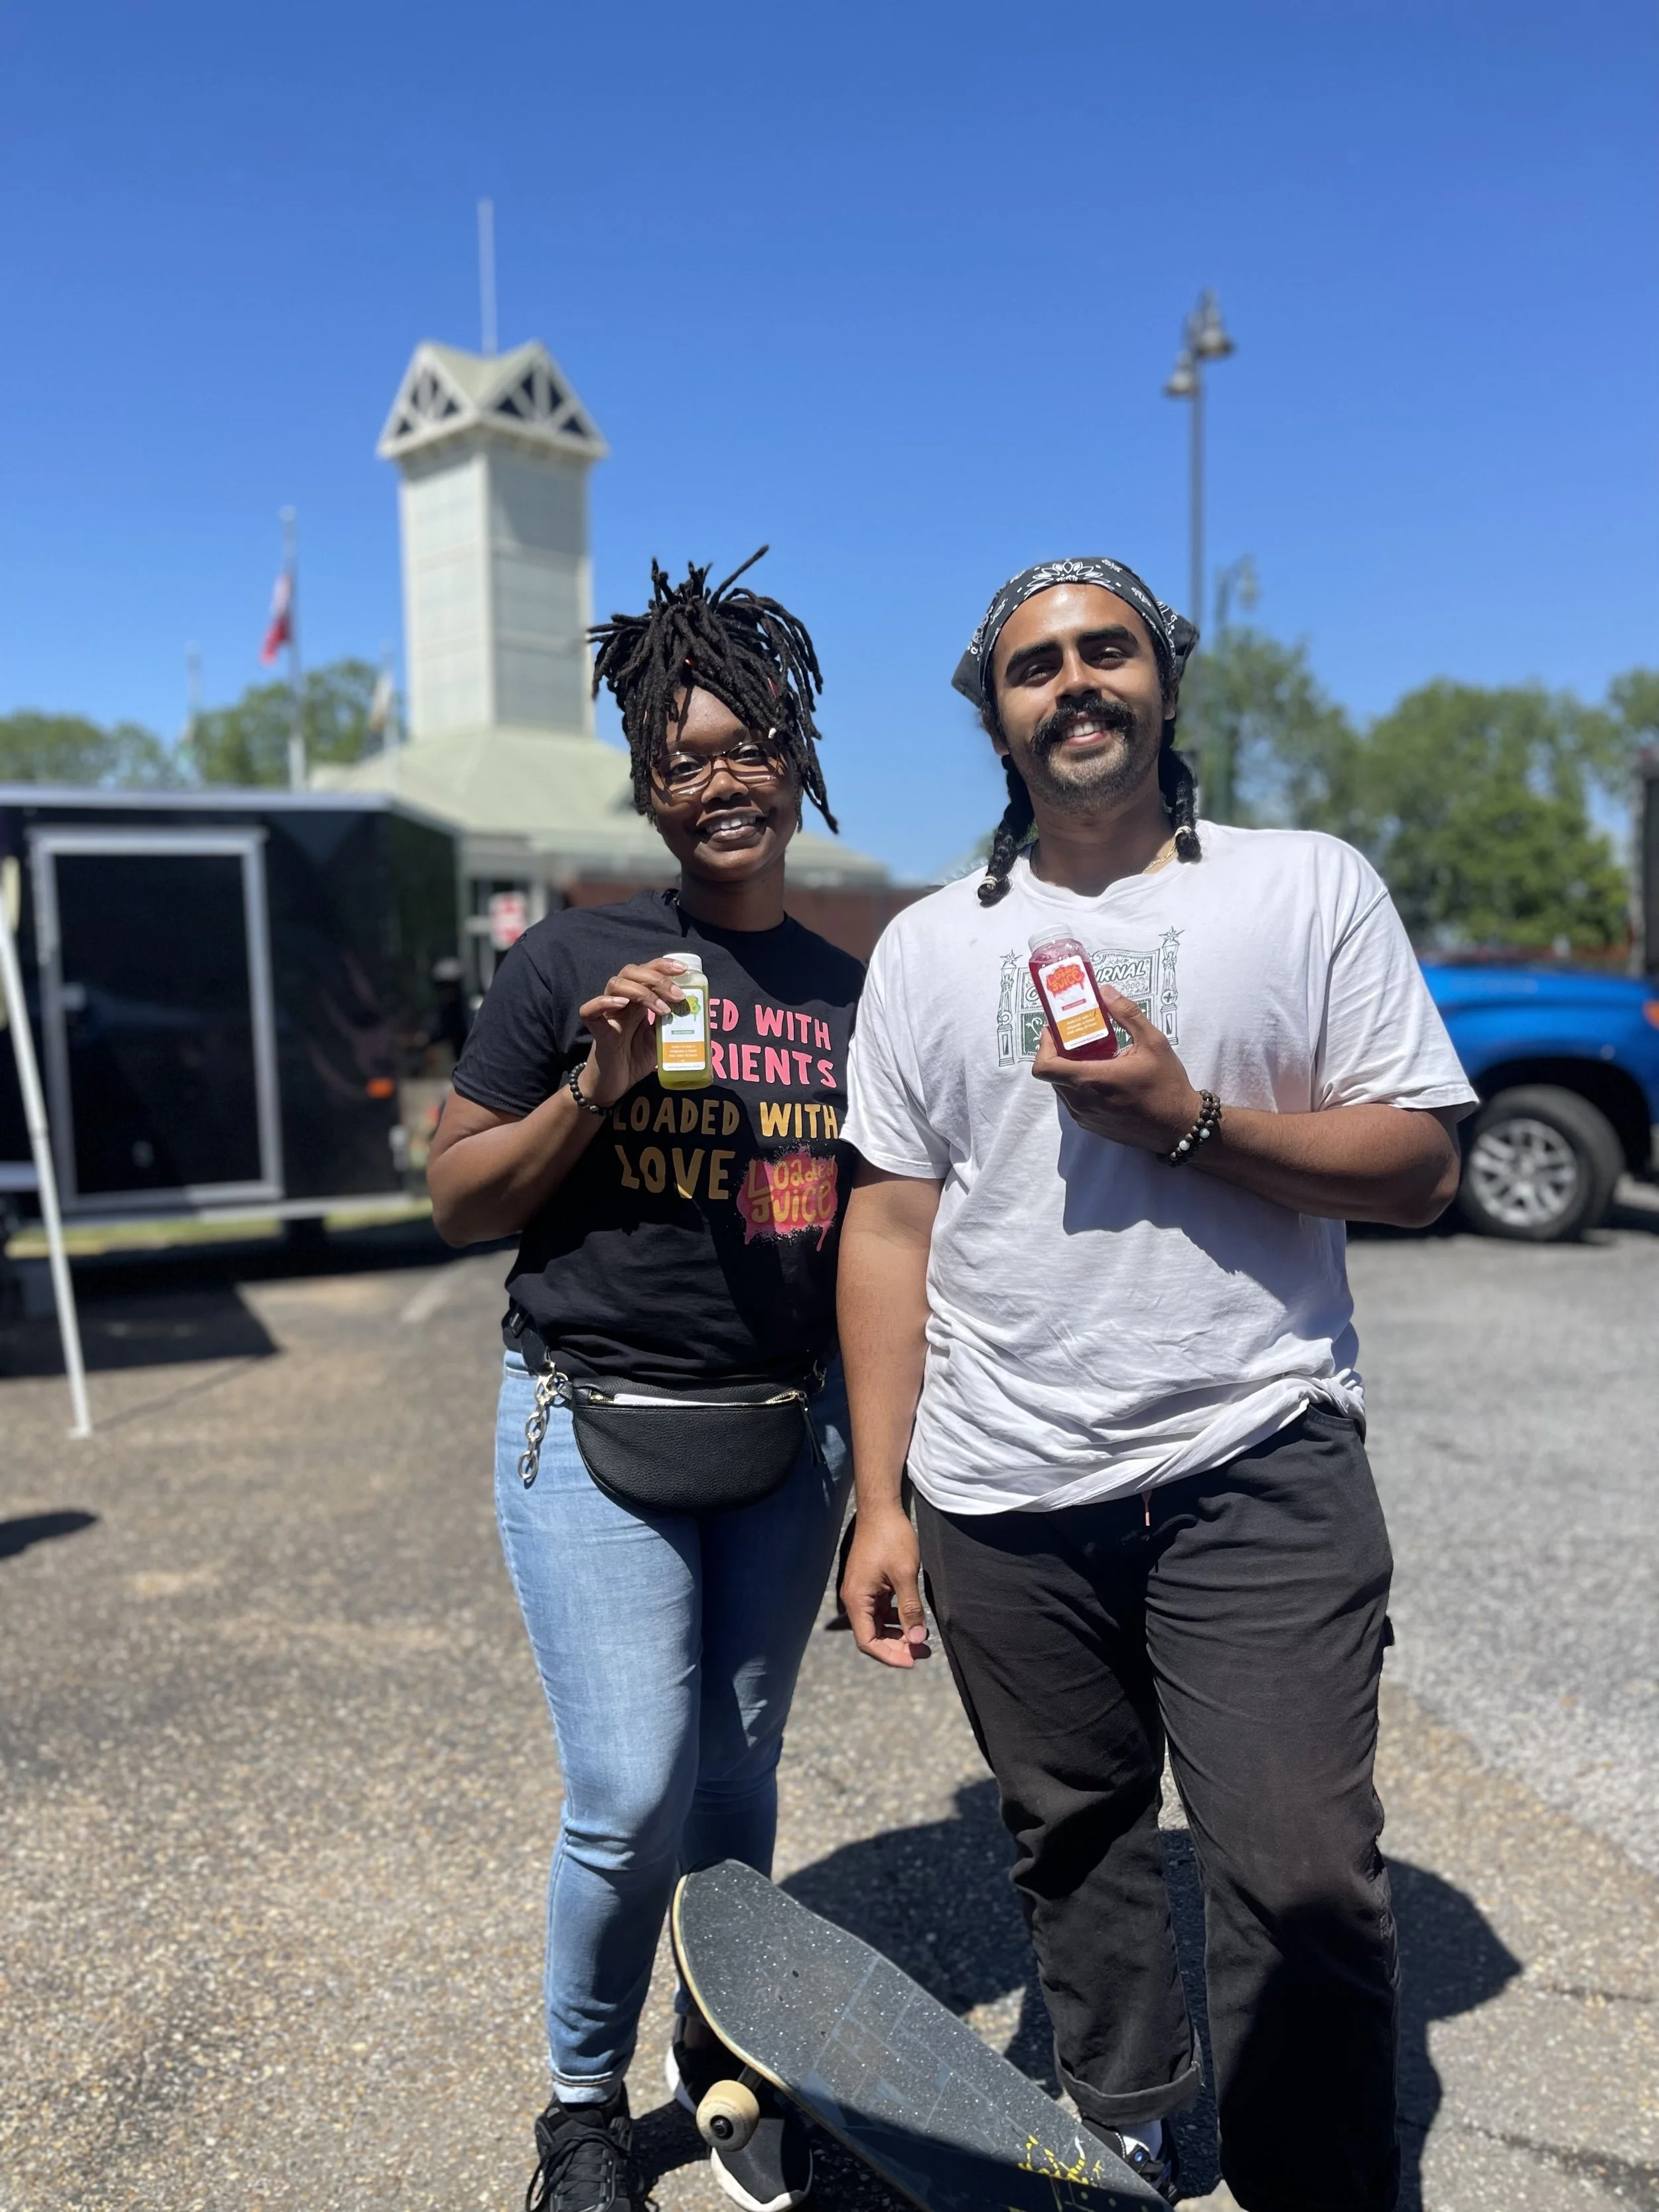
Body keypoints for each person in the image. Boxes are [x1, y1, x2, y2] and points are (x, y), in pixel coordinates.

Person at [836, 558, 1477, 2212]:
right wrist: (879, 1495)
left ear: (1165, 684)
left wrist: (1194, 1120)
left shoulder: (1304, 888)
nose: (1073, 683)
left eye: (1104, 650)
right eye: (1032, 666)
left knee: (1299, 1874)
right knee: (1072, 1833)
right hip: (997, 1491)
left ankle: (1314, 2180)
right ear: (993, 715)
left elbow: (1414, 1163)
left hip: (1251, 1456)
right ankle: (1119, 2122)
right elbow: (891, 1223)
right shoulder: (924, 946)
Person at [428, 552, 863, 2212]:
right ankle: (578, 2111)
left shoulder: (846, 995)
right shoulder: (570, 961)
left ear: (793, 754)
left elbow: (878, 1243)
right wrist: (591, 1094)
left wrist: (886, 1479)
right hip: (584, 1419)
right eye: (679, 756)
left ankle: (729, 2052)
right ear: (645, 782)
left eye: (745, 742)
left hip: (779, 1432)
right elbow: (461, 1198)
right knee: (626, 1791)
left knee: (738, 1778)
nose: (718, 779)